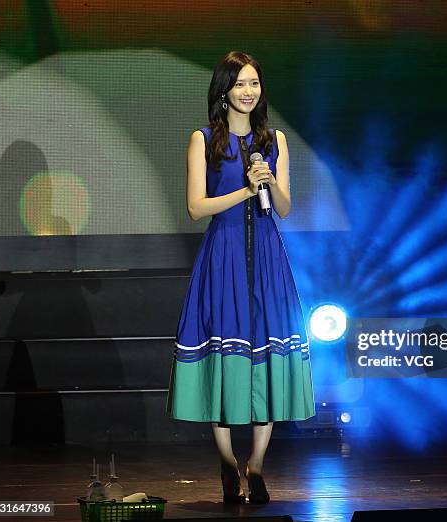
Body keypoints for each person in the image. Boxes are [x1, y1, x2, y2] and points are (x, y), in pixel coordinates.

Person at [166, 51, 316, 504]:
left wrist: (269, 184)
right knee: (224, 354)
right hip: (224, 255)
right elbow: (196, 208)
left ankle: (258, 465)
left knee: (267, 355)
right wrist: (244, 191)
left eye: (254, 83)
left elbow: (285, 209)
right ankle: (229, 465)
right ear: (224, 90)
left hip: (268, 256)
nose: (248, 92)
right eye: (240, 84)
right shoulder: (203, 140)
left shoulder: (275, 140)